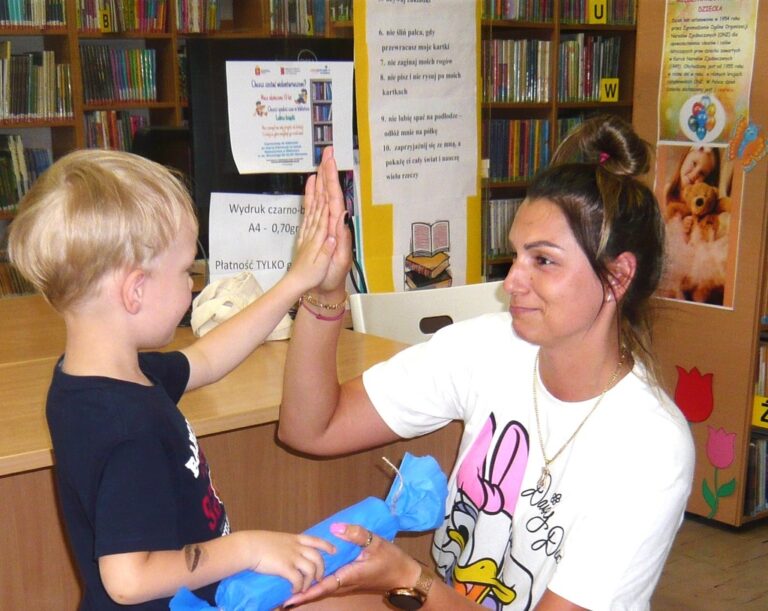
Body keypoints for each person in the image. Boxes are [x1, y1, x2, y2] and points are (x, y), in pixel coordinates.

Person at [278, 120, 695, 611]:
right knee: (300, 603)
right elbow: (311, 430)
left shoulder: (650, 445)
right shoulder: (490, 347)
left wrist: (412, 579)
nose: (511, 282)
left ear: (617, 276)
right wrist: (324, 295)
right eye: (516, 256)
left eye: (543, 261)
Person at [7, 149, 338, 610]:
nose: (192, 286)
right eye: (185, 270)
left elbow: (205, 358)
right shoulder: (125, 427)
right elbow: (127, 578)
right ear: (135, 289)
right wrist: (247, 548)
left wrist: (295, 282)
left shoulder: (98, 378)